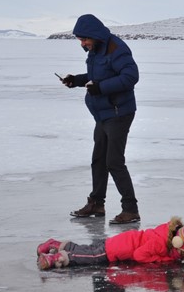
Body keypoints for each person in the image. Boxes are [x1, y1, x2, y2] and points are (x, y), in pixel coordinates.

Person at [60, 14, 140, 224]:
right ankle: (96, 203)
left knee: (114, 161)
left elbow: (131, 77)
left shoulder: (117, 49)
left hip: (118, 113)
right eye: (80, 40)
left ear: (94, 35)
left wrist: (101, 88)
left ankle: (130, 209)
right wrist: (76, 80)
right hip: (103, 113)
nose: (82, 43)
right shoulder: (95, 51)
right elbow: (97, 76)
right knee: (99, 159)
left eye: (84, 39)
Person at [36, 217, 184, 270]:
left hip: (120, 241)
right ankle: (56, 258)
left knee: (87, 249)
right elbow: (139, 255)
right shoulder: (160, 244)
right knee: (89, 257)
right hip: (118, 249)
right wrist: (164, 260)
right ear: (177, 242)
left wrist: (179, 256)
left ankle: (53, 244)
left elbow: (171, 251)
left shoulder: (165, 234)